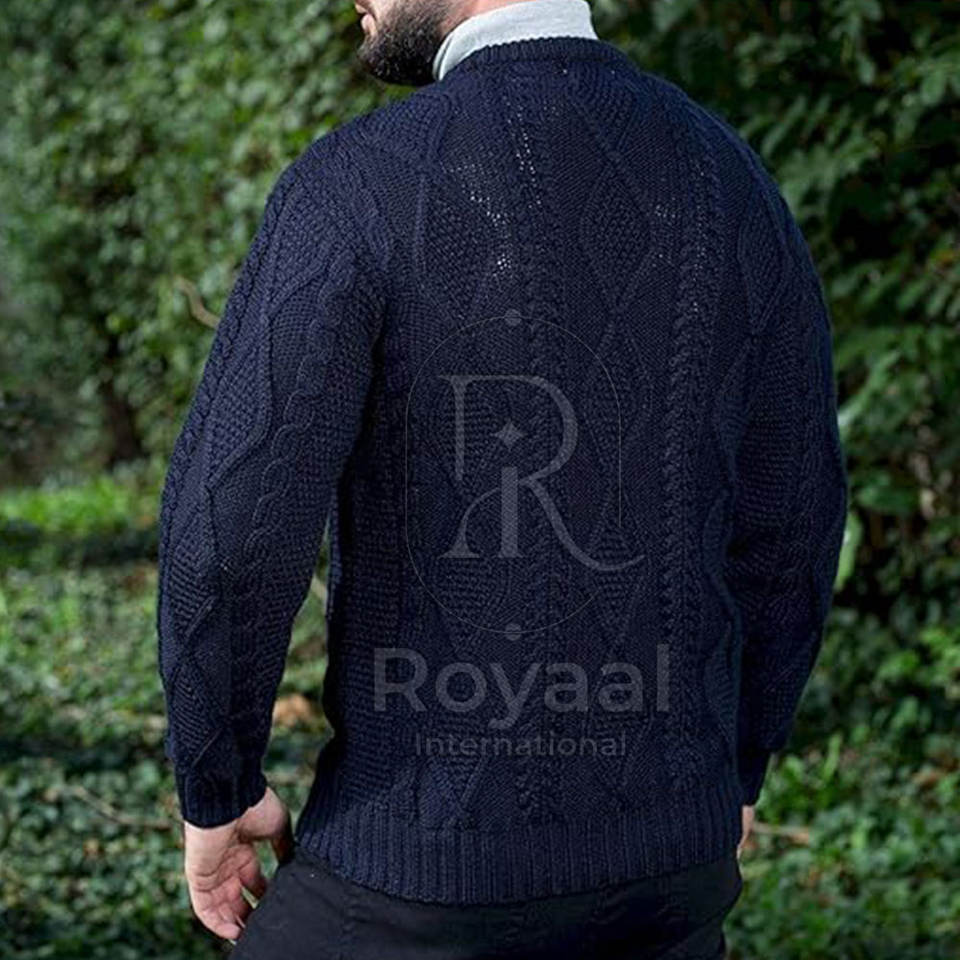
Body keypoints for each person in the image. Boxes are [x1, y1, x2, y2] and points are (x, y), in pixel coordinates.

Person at [155, 1, 848, 956]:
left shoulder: (353, 184)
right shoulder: (732, 180)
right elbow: (796, 517)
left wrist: (217, 786)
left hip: (415, 875)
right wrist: (737, 767)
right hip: (670, 881)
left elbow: (229, 534)